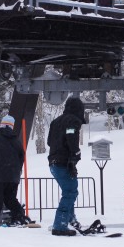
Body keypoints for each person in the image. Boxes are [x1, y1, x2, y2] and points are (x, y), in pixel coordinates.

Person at [47, 97, 86, 236]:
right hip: (64, 162)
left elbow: (49, 141)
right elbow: (71, 137)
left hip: (53, 162)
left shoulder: (55, 121)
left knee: (69, 191)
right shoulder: (72, 121)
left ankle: (70, 219)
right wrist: (75, 153)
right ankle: (60, 225)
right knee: (70, 192)